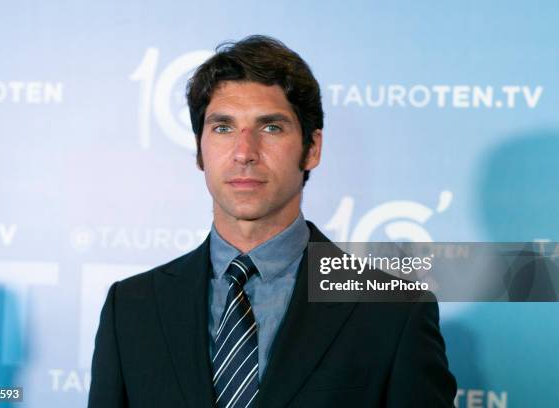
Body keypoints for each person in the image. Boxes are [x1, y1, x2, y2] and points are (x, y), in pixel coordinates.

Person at [88, 35, 457, 408]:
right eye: (223, 128)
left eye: (271, 127)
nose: (245, 152)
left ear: (312, 149)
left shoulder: (392, 312)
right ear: (200, 151)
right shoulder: (132, 308)